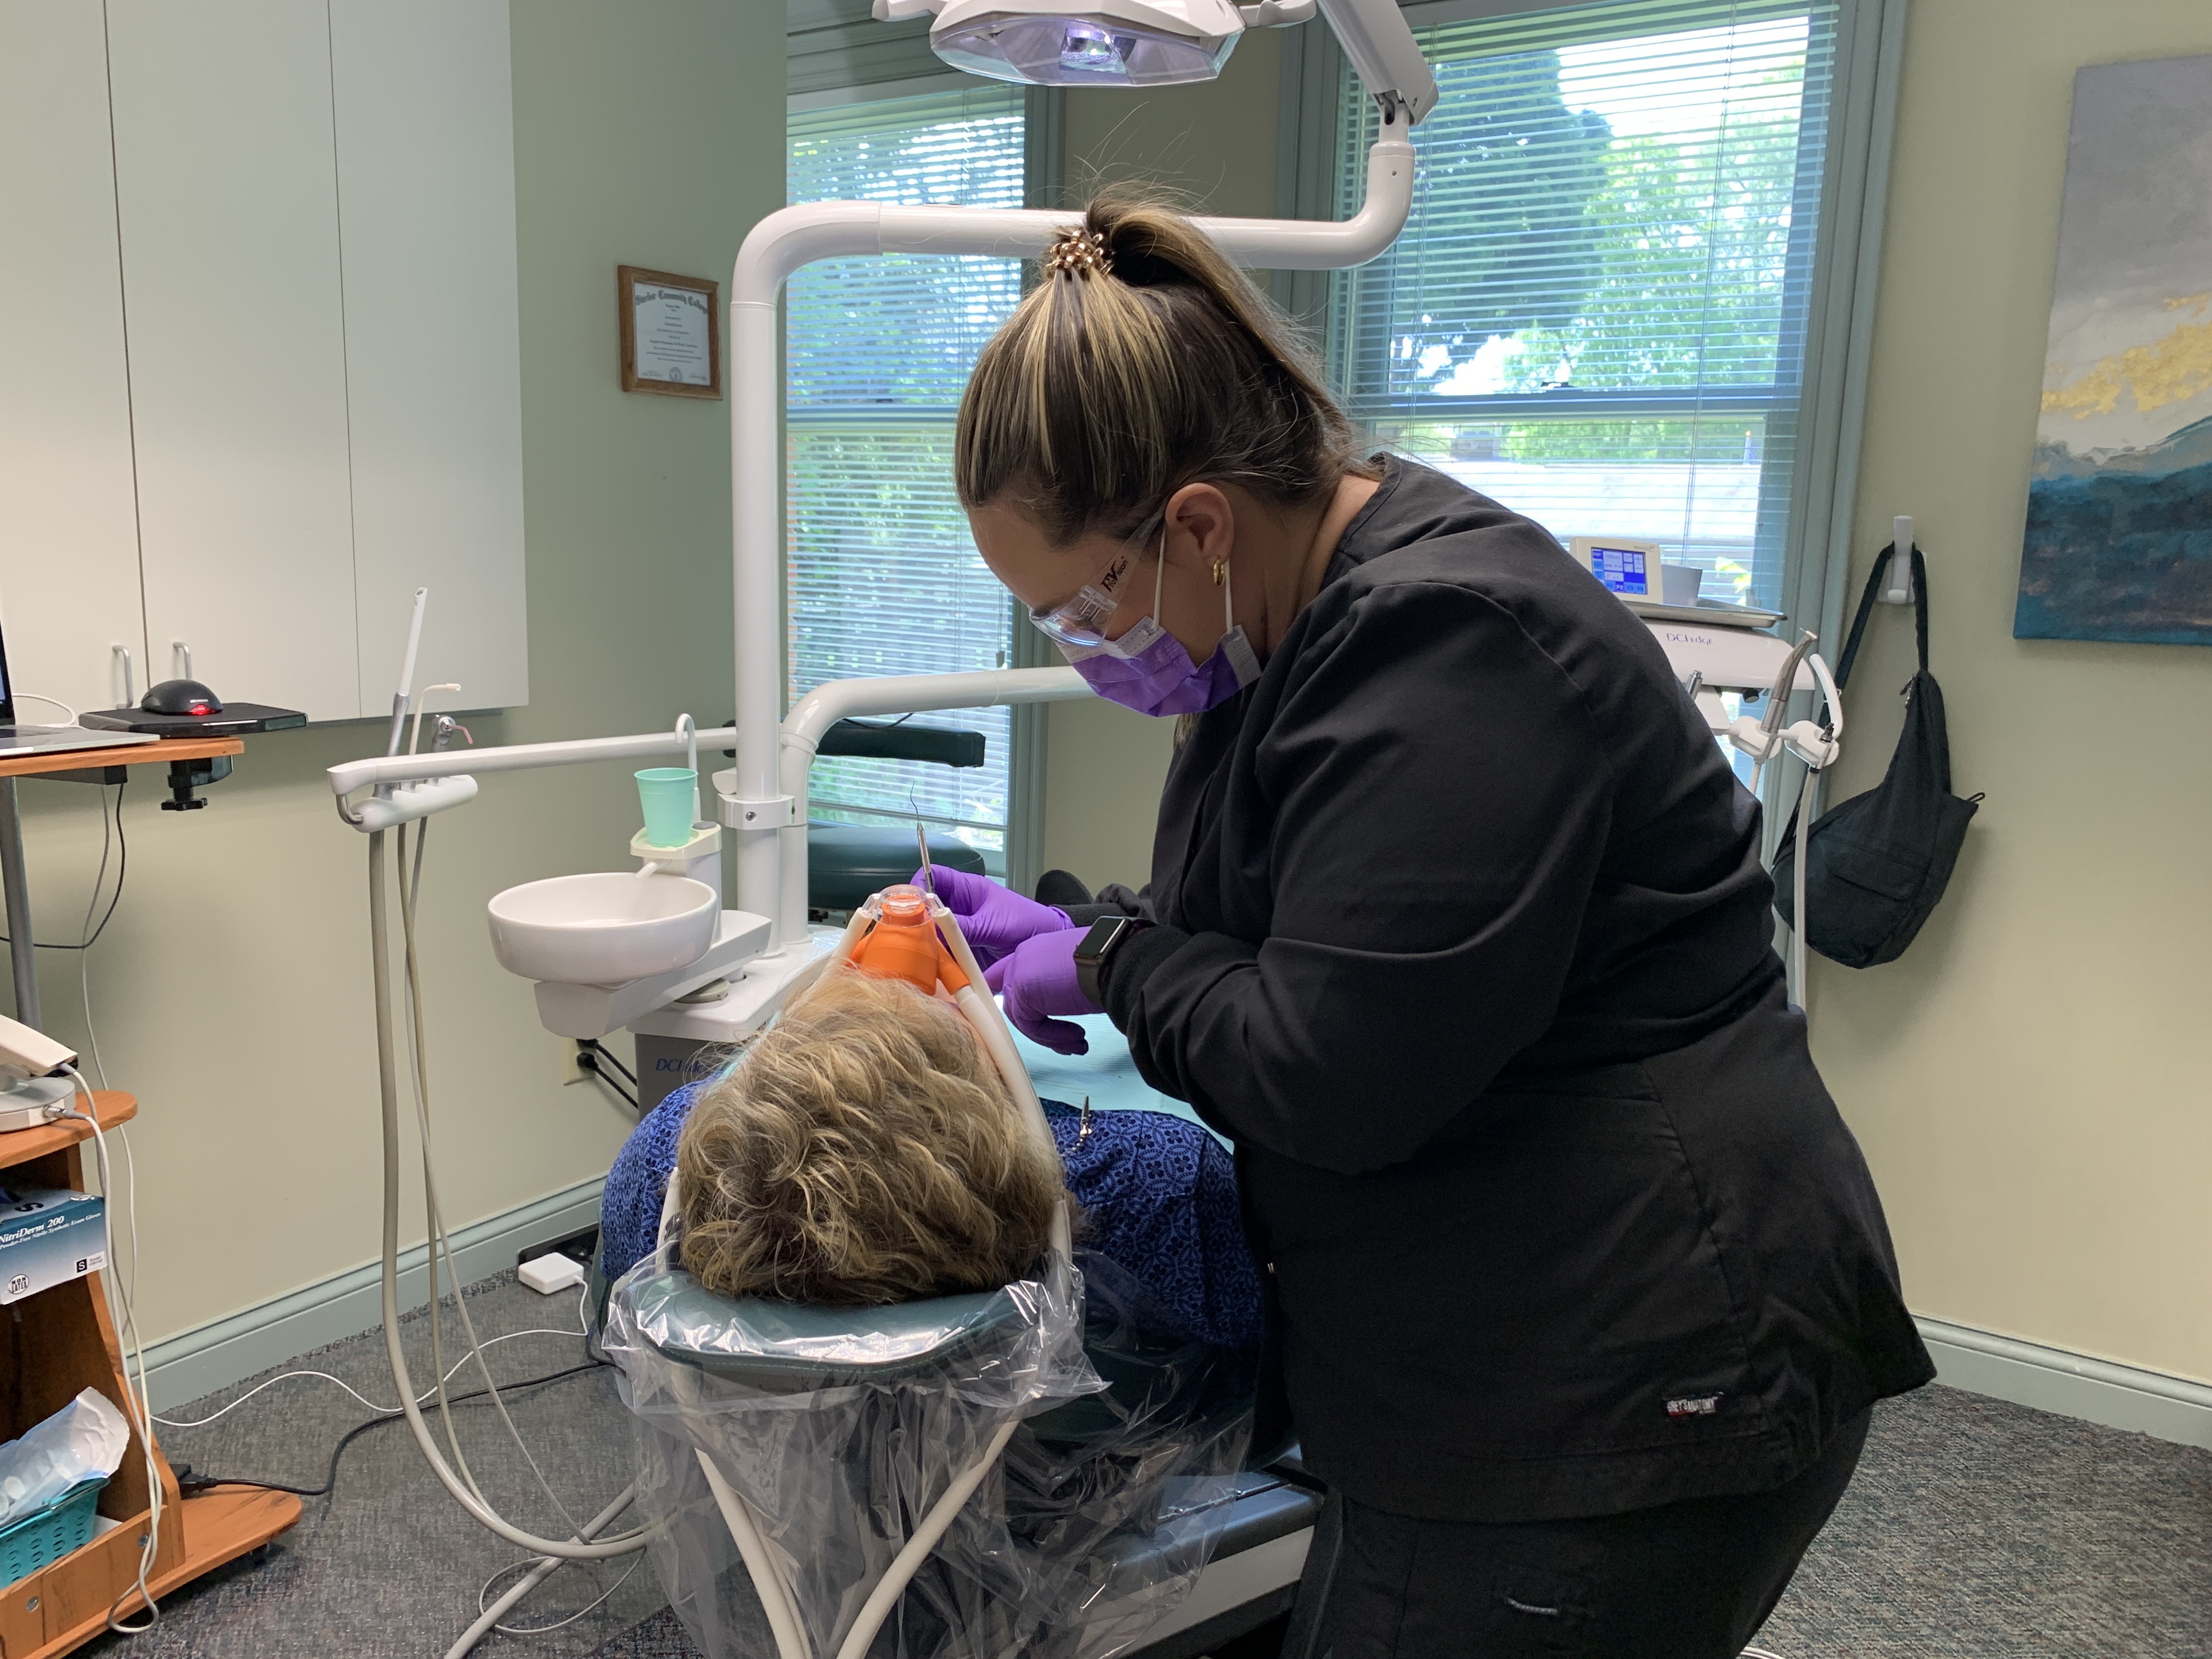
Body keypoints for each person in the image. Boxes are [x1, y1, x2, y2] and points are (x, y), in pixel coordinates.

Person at [930, 190, 1936, 1659]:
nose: (1091, 654)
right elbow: (1322, 912)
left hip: (1631, 1360)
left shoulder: (1449, 641)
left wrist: (1120, 960)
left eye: (1085, 611)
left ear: (1198, 524)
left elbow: (1330, 1071)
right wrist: (1087, 928)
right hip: (1500, 1326)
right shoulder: (1288, 627)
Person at [598, 966, 1263, 1352]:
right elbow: (1254, 1381)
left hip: (755, 1486)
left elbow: (624, 1351)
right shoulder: (1166, 1184)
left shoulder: (656, 1174)